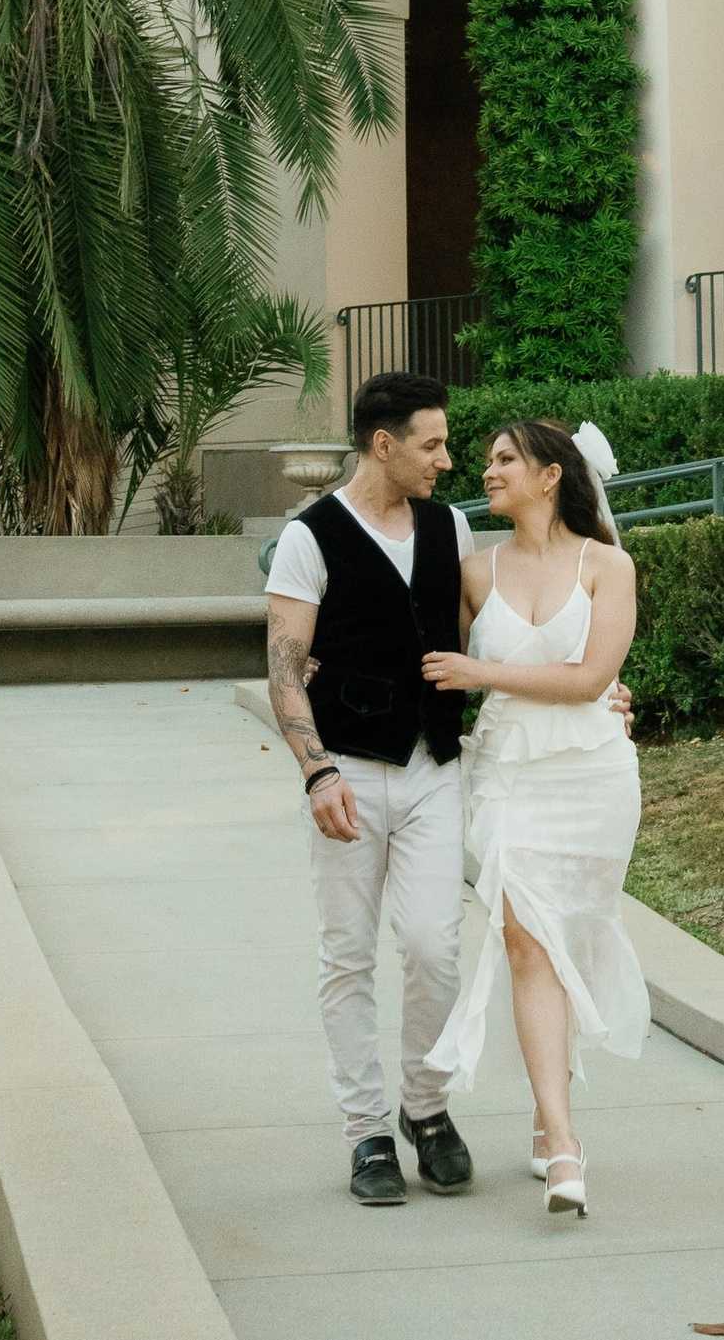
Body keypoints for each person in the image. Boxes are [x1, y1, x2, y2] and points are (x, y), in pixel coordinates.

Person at [417, 417, 648, 1222]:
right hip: (509, 773)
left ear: (552, 475)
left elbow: (591, 679)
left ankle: (547, 1106)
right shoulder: (473, 571)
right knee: (525, 941)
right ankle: (563, 1137)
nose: (487, 470)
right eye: (484, 460)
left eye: (505, 458)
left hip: (593, 774)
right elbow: (424, 666)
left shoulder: (609, 564)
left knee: (570, 940)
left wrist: (481, 670)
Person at [264, 370, 477, 1208]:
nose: (446, 459)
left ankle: (426, 1106)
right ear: (382, 443)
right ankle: (367, 1132)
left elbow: (497, 631)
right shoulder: (308, 537)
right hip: (346, 770)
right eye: (432, 443)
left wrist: (591, 685)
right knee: (347, 953)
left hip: (431, 768)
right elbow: (286, 666)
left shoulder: (450, 526)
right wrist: (315, 770)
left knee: (434, 946)